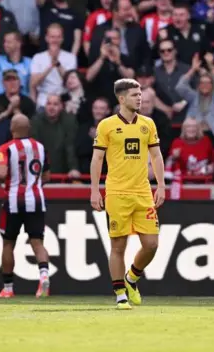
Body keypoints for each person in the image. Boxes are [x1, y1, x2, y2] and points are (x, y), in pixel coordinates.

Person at [90, 78, 165, 310]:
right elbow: (98, 158)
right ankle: (120, 293)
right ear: (121, 98)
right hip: (117, 192)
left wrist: (161, 185)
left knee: (151, 244)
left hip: (143, 192)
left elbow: (156, 156)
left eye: (140, 93)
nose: (140, 97)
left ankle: (132, 278)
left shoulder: (148, 124)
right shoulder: (107, 126)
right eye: (134, 95)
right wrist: (94, 190)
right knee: (118, 246)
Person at [0, 114, 51, 298]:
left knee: (8, 243)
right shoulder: (40, 147)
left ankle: (8, 289)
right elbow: (47, 176)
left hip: (13, 200)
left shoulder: (6, 148)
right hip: (36, 199)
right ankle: (44, 276)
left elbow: (1, 172)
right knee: (37, 242)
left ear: (12, 128)